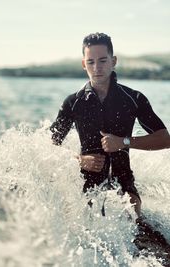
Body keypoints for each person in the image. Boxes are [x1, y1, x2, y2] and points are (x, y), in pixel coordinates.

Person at [50, 32, 170, 218]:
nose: (97, 67)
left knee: (132, 210)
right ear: (84, 64)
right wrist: (80, 160)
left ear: (113, 61)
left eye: (103, 61)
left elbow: (164, 139)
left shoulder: (133, 99)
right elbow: (50, 145)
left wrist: (124, 142)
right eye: (91, 62)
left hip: (123, 181)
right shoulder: (73, 102)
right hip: (87, 183)